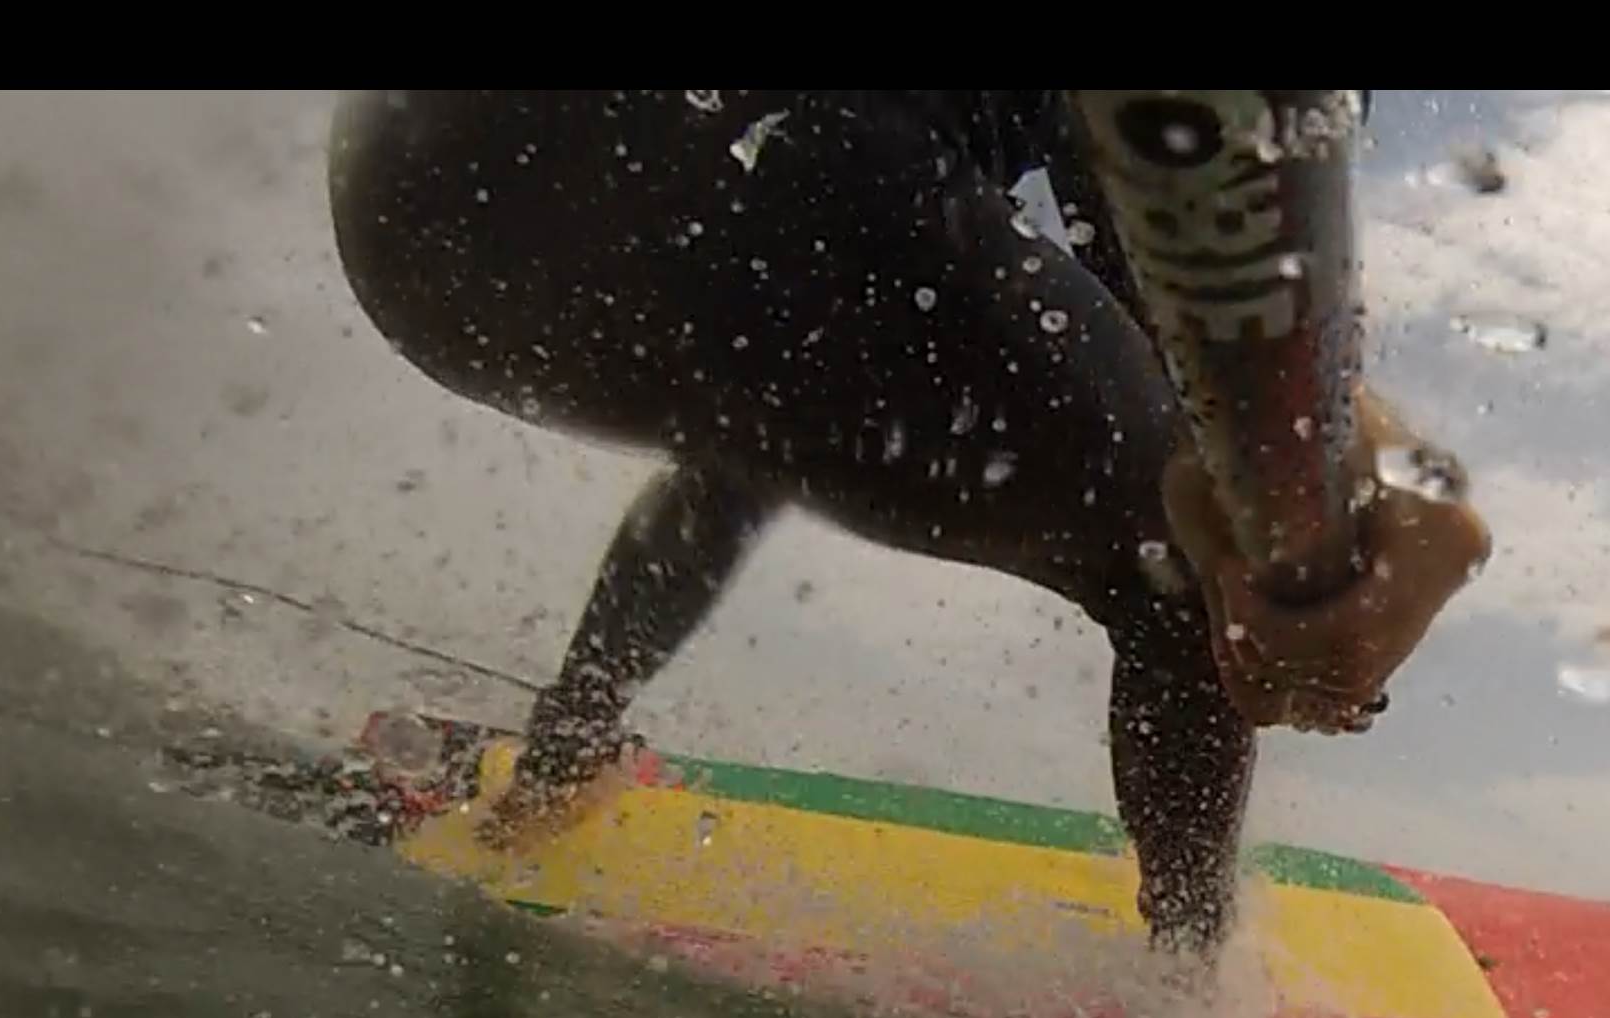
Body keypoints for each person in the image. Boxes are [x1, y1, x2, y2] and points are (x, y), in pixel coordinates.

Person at [326, 90, 1489, 954]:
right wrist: (1312, 472)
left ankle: (557, 764)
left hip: (419, 200)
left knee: (759, 435)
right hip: (777, 164)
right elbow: (1182, 237)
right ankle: (1189, 1007)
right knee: (1177, 569)